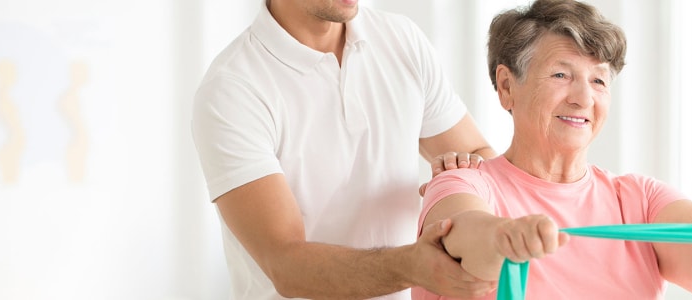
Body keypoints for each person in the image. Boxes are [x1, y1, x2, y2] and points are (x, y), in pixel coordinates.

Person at [413, 0, 692, 299]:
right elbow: (463, 236)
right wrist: (502, 237)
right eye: (562, 75)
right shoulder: (465, 180)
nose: (584, 98)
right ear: (507, 86)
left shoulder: (636, 199)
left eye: (599, 80)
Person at [190, 0, 499, 299]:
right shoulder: (231, 89)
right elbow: (286, 263)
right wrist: (413, 266)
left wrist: (467, 205)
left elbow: (477, 154)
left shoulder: (402, 40)